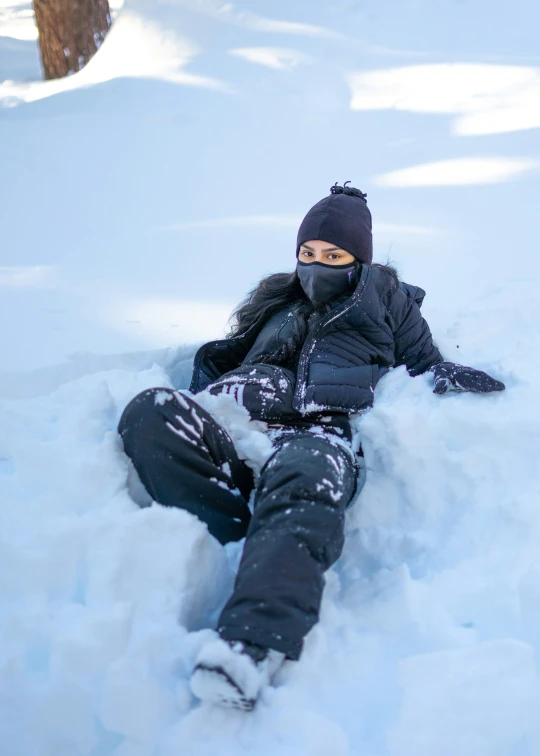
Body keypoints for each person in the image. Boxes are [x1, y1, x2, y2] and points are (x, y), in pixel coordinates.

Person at [118, 183, 505, 711]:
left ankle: (249, 645)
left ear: (358, 259)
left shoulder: (385, 299)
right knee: (149, 411)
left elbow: (423, 356)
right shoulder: (276, 299)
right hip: (238, 426)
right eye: (307, 254)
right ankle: (242, 535)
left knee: (306, 474)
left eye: (333, 256)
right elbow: (227, 357)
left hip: (316, 433)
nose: (316, 265)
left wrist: (446, 371)